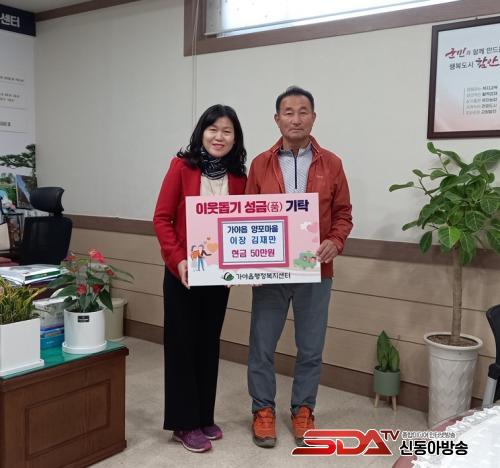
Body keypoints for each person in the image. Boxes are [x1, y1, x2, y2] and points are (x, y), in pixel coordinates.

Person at [245, 86, 353, 447]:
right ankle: (263, 410)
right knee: (262, 345)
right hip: (270, 272)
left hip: (316, 271)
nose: (296, 119)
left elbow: (343, 214)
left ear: (313, 118)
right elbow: (246, 217)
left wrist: (335, 241)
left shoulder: (332, 163)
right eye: (288, 112)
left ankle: (303, 409)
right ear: (277, 119)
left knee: (310, 347)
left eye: (303, 111)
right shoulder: (260, 164)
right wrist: (248, 264)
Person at [153, 104, 247, 453]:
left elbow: (242, 226)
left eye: (227, 131)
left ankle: (204, 415)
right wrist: (178, 260)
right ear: (201, 132)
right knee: (182, 346)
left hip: (217, 276)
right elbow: (162, 219)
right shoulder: (181, 167)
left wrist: (243, 265)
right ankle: (183, 423)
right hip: (183, 274)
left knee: (208, 344)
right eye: (213, 129)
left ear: (235, 138)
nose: (219, 137)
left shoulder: (239, 177)